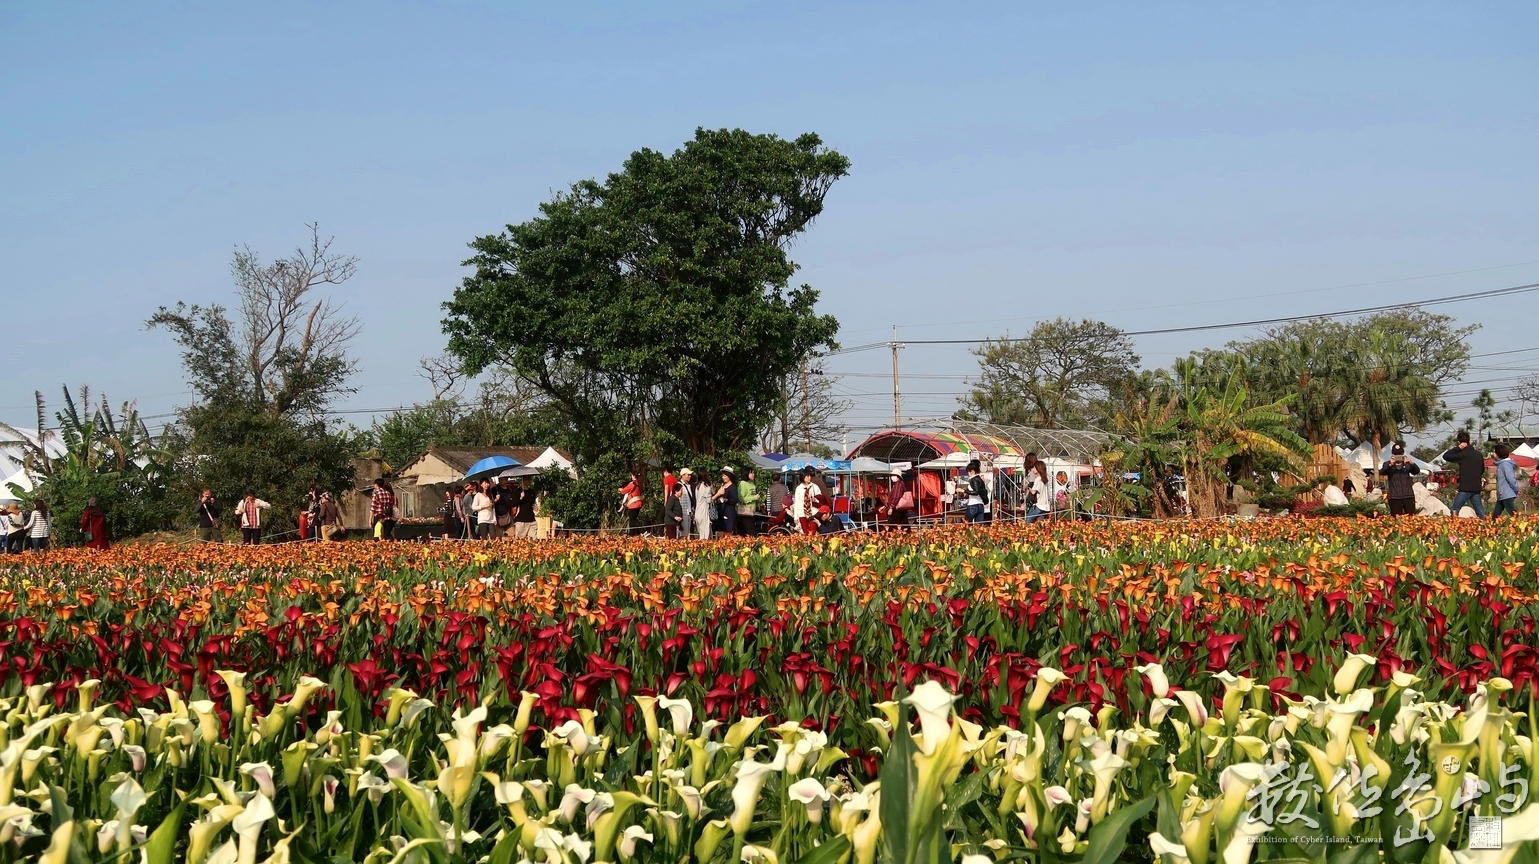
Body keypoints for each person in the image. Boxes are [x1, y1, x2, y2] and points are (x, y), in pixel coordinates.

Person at [1443, 431, 1487, 518]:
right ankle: (1488, 526)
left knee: (1455, 509)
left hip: (1465, 487)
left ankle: (1454, 526)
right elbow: (1482, 470)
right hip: (1476, 487)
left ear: (1459, 442)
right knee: (1480, 512)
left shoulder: (1463, 454)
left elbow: (1446, 456)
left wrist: (1458, 448)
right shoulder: (1478, 454)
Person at [1380, 444, 1421, 516]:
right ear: (1392, 455)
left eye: (1400, 454)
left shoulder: (1407, 464)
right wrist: (1390, 464)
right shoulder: (1387, 464)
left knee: (1411, 518)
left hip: (1408, 496)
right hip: (1394, 497)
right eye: (1396, 454)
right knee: (1396, 519)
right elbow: (1382, 472)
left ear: (1403, 454)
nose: (1398, 455)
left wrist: (1412, 463)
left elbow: (1416, 471)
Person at [792, 469, 824, 535]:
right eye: (807, 476)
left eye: (810, 476)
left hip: (813, 513)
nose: (809, 477)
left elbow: (821, 499)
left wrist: (814, 499)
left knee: (813, 532)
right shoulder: (799, 488)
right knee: (805, 533)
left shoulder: (814, 487)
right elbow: (797, 503)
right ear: (803, 477)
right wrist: (796, 517)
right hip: (802, 513)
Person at [1493, 443, 1520, 518]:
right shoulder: (1501, 464)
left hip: (1506, 494)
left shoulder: (1505, 464)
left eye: (1494, 452)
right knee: (1495, 516)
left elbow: (1510, 478)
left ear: (1498, 454)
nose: (1493, 454)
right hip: (1502, 494)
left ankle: (1523, 526)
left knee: (1514, 514)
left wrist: (1516, 489)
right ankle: (1495, 528)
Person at [713, 466, 739, 535]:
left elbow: (735, 499)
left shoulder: (733, 486)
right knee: (720, 531)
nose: (723, 477)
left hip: (728, 512)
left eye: (725, 476)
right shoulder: (722, 485)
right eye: (722, 476)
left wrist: (725, 500)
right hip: (720, 511)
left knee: (728, 531)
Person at [736, 468, 761, 536]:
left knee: (745, 534)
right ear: (746, 474)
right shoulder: (743, 483)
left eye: (753, 473)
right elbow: (741, 498)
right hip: (746, 513)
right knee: (752, 534)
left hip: (752, 512)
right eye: (751, 473)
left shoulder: (752, 484)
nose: (753, 475)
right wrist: (754, 498)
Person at [692, 470, 714, 540]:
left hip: (698, 512)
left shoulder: (697, 486)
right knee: (705, 536)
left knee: (701, 533)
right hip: (703, 512)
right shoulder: (706, 487)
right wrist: (717, 494)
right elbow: (709, 500)